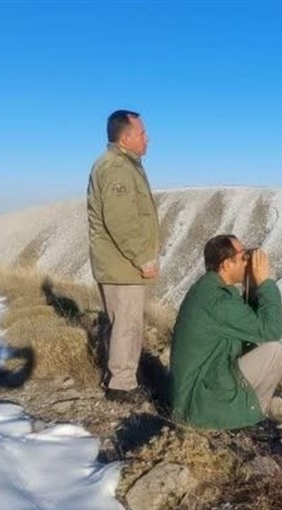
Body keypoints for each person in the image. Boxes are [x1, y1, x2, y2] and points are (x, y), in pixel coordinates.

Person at [169, 234, 282, 429]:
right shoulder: (218, 302)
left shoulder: (209, 289)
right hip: (198, 403)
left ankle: (249, 414)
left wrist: (253, 283)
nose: (248, 260)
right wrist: (265, 282)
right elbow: (271, 330)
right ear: (226, 265)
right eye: (244, 256)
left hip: (197, 388)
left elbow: (247, 323)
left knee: (256, 349)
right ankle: (252, 419)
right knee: (275, 352)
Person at [87, 110, 160, 403]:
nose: (147, 138)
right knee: (126, 323)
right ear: (125, 137)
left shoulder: (123, 165)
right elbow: (120, 220)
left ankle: (123, 376)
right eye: (142, 133)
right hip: (122, 263)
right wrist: (143, 257)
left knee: (124, 321)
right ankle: (121, 385)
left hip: (119, 263)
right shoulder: (117, 168)